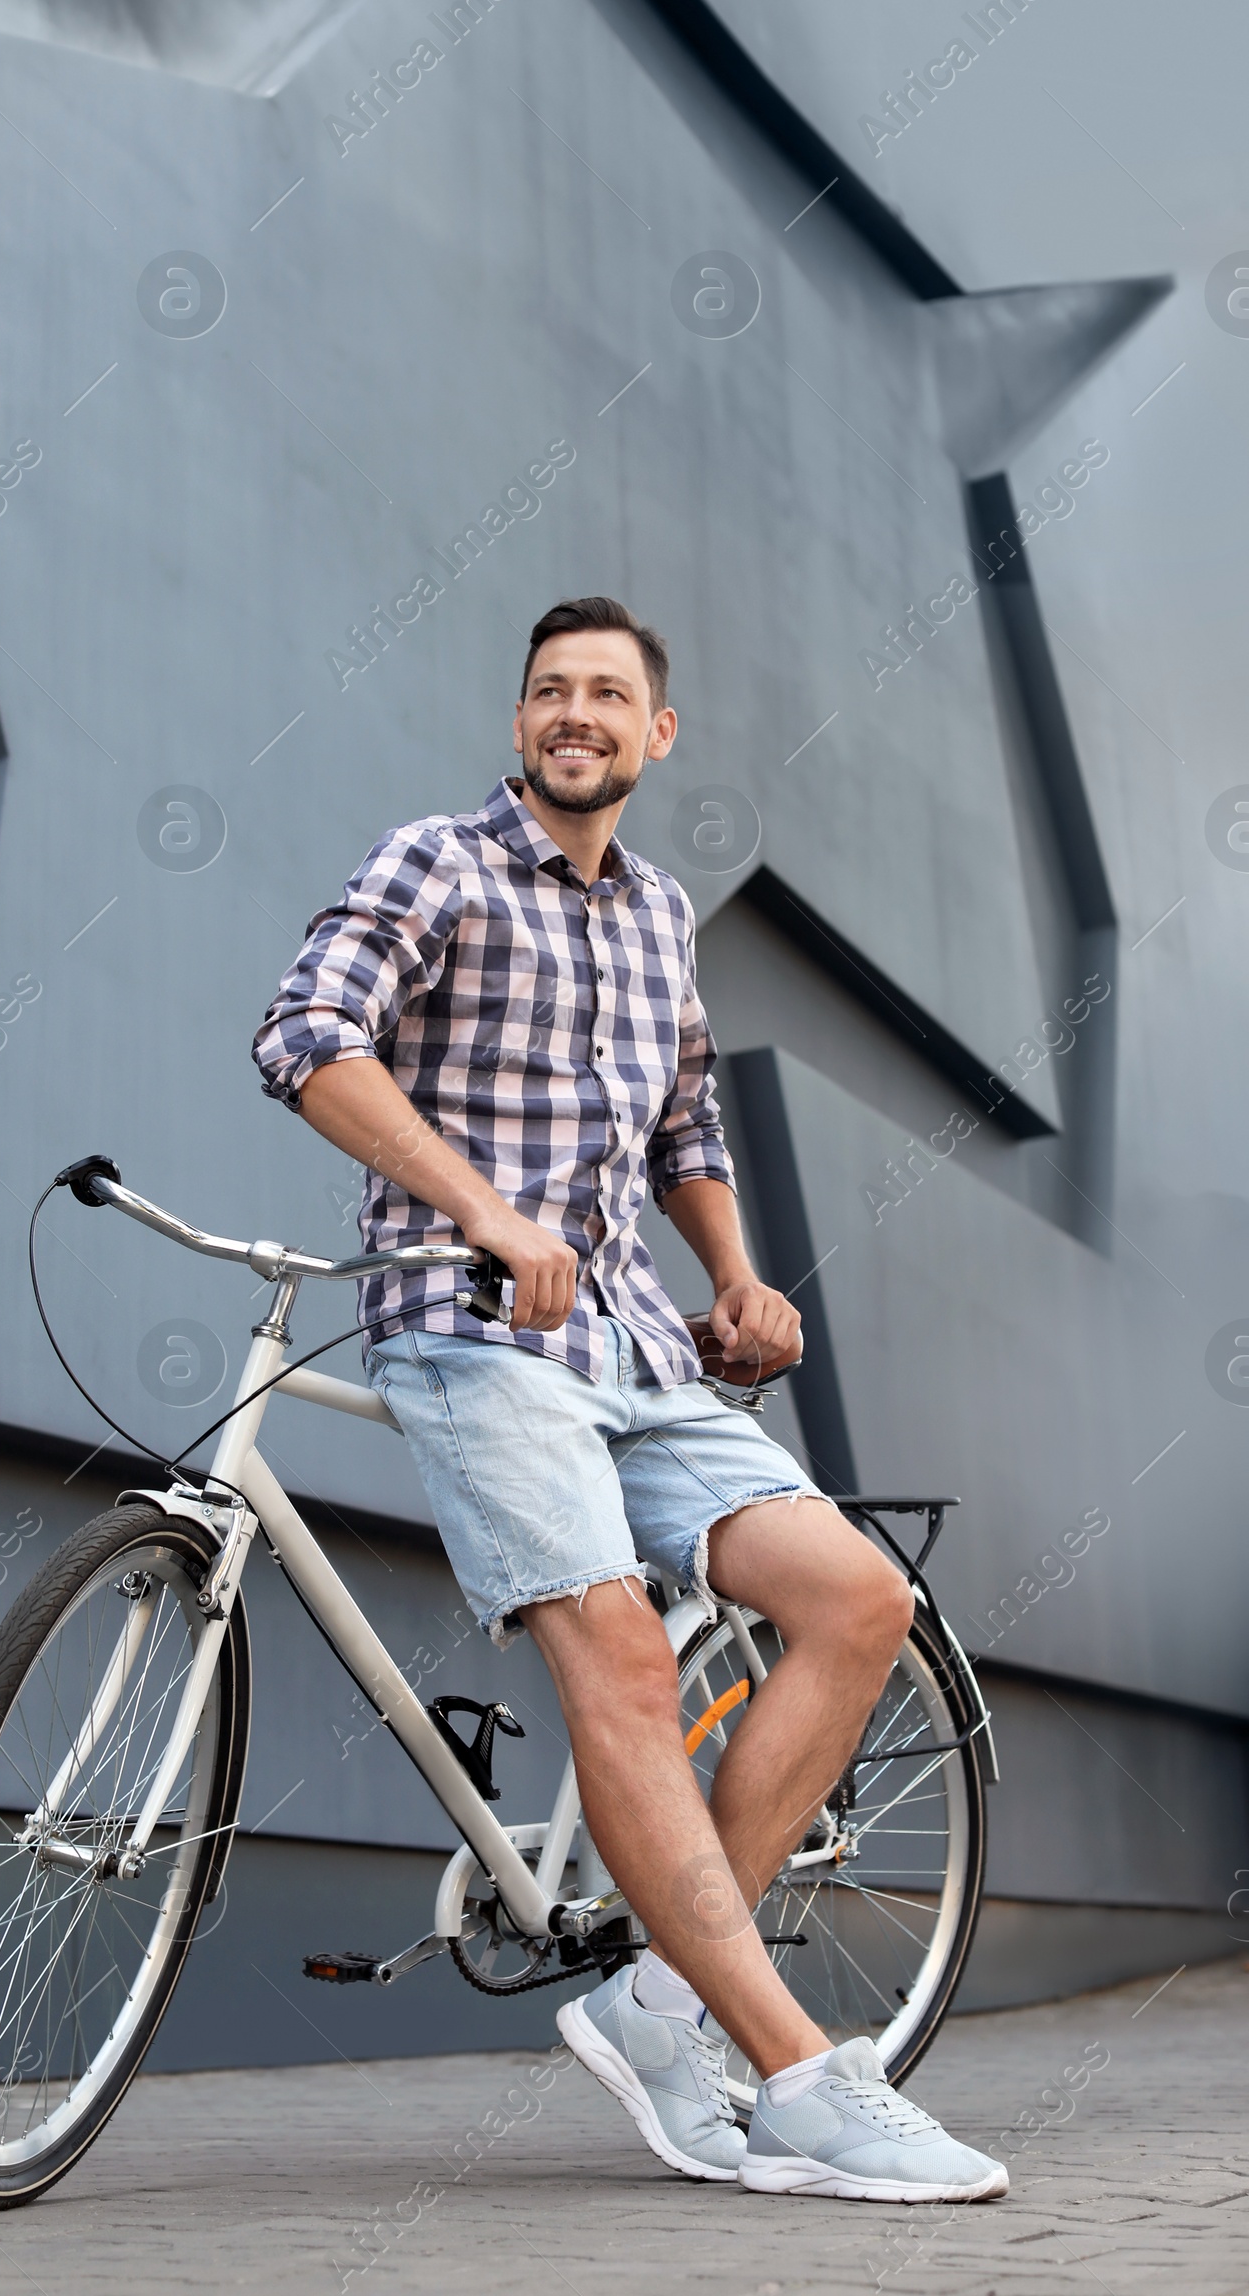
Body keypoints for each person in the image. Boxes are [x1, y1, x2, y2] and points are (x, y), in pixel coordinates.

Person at [253, 596, 1005, 2203]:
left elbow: (684, 1125)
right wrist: (488, 1211)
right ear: (519, 719)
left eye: (607, 693)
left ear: (657, 735)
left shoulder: (659, 912)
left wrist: (736, 1279)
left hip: (641, 1356)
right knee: (614, 1655)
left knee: (862, 1601)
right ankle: (797, 2072)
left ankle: (666, 1999)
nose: (574, 712)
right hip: (469, 1331)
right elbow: (308, 1038)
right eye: (548, 690)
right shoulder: (437, 862)